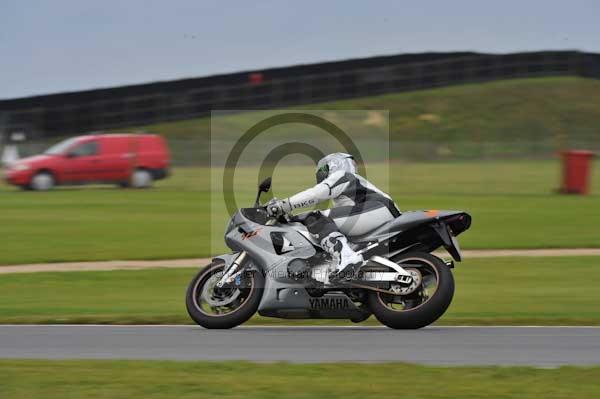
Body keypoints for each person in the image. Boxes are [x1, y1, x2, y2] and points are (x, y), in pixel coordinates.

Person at [266, 153, 401, 282]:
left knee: (315, 218)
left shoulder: (343, 175)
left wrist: (283, 205)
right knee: (324, 223)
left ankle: (347, 257)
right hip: (380, 212)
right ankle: (340, 261)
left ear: (334, 165)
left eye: (323, 170)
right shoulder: (351, 187)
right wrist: (295, 218)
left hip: (378, 209)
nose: (320, 174)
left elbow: (317, 194)